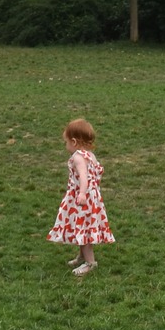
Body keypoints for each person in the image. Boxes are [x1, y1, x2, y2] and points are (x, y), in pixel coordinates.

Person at [48, 117, 115, 276]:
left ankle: (90, 263)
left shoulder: (78, 157)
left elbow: (84, 177)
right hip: (92, 198)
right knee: (82, 228)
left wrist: (82, 193)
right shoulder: (90, 155)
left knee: (84, 230)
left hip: (82, 199)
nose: (66, 146)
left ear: (74, 141)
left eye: (66, 142)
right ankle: (82, 256)